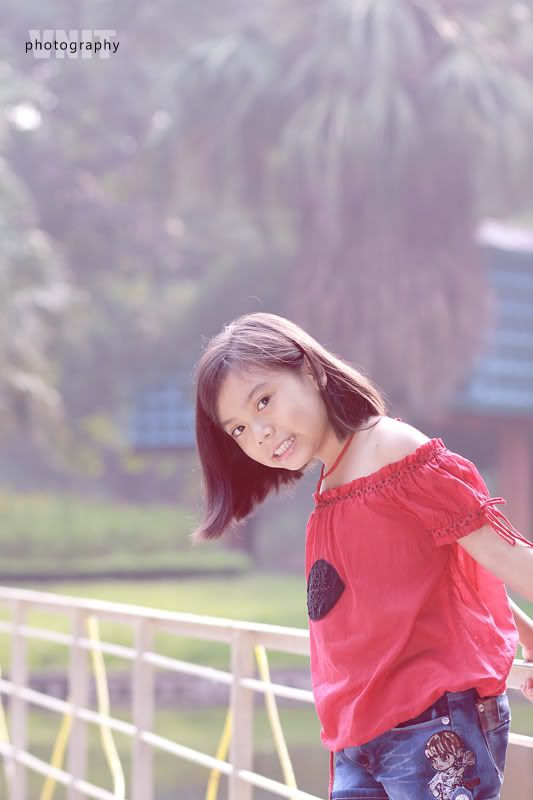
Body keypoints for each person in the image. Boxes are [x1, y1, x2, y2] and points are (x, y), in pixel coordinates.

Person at [192, 311, 533, 800]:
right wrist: (526, 631)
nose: (260, 433)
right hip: (357, 733)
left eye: (263, 401)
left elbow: (499, 552)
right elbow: (438, 565)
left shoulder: (391, 449)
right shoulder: (334, 478)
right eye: (239, 429)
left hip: (432, 725)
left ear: (309, 369)